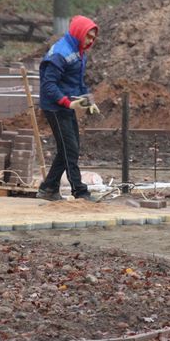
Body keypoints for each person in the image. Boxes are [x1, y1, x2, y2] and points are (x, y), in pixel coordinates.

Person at [35, 15, 100, 201]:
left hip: (66, 105)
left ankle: (48, 188)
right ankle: (79, 191)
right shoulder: (60, 53)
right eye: (88, 36)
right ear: (80, 33)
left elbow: (77, 82)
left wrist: (88, 101)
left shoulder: (79, 52)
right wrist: (67, 102)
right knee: (70, 149)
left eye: (93, 37)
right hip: (55, 108)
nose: (91, 41)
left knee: (69, 148)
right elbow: (48, 85)